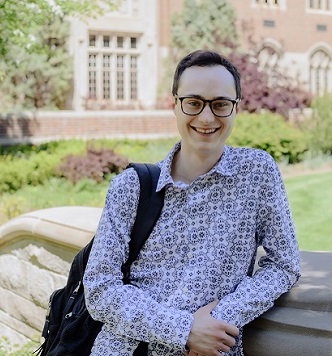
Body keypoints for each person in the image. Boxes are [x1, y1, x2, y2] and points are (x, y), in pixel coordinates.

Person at [83, 49, 301, 356]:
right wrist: (184, 330)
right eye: (194, 103)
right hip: (128, 349)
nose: (207, 117)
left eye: (221, 104)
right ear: (175, 104)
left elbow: (284, 264)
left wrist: (220, 319)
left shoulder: (256, 172)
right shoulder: (130, 187)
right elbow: (100, 289)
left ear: (235, 108)